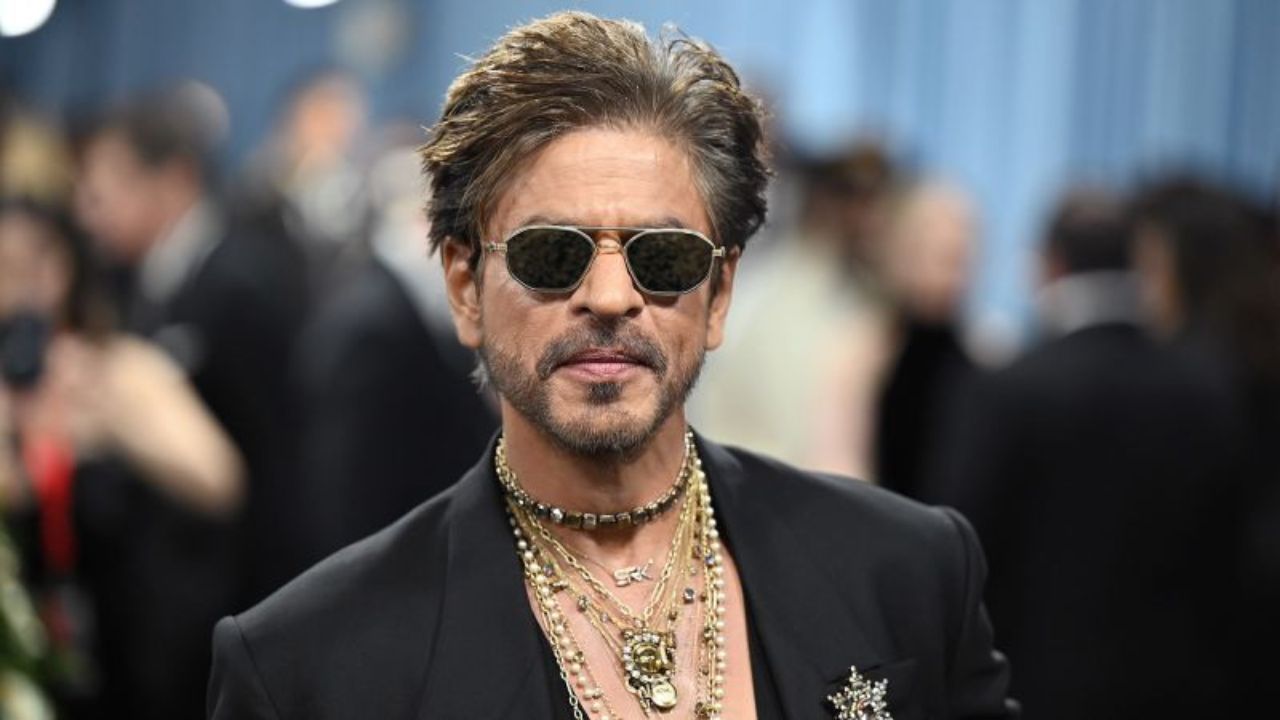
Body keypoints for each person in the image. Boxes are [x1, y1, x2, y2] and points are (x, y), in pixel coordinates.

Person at [208, 12, 1017, 720]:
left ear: (719, 292)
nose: (608, 296)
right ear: (464, 286)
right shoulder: (308, 665)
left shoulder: (907, 571)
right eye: (550, 254)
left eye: (661, 256)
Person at [924, 190, 1246, 719]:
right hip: (1182, 688)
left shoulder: (1007, 390)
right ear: (1137, 263)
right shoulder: (1208, 388)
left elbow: (960, 545)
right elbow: (1228, 551)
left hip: (1036, 685)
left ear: (1051, 264)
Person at [0, 197, 244, 719]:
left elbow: (219, 480)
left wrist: (110, 417)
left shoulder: (120, 366)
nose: (23, 286)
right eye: (6, 268)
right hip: (34, 659)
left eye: (37, 262)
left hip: (139, 652)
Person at [75, 85, 310, 602]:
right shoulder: (139, 276)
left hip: (238, 583)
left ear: (175, 178)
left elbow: (274, 452)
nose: (91, 211)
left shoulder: (240, 281)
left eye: (111, 187)